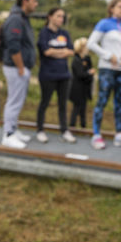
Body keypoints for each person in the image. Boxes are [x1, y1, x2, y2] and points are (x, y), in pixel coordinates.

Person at [87, 0, 121, 150]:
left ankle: (119, 134)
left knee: (119, 103)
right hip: (107, 69)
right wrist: (108, 56)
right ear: (112, 8)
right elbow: (91, 44)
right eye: (120, 6)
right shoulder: (104, 24)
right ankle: (96, 135)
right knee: (102, 101)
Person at [1, 0, 38, 149]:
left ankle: (13, 129)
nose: (36, 4)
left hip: (20, 67)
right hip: (16, 67)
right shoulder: (16, 19)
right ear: (25, 1)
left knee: (17, 100)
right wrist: (21, 67)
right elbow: (13, 44)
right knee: (14, 101)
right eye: (34, 1)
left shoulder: (23, 18)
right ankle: (8, 135)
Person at [35, 8, 76, 144]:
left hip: (64, 74)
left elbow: (71, 51)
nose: (61, 19)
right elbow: (46, 52)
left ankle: (64, 130)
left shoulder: (64, 33)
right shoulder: (44, 33)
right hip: (48, 75)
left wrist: (57, 51)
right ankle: (40, 130)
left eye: (63, 17)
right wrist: (62, 51)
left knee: (62, 104)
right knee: (45, 102)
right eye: (58, 16)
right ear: (50, 17)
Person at [68, 37, 94, 129]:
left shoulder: (87, 59)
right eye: (86, 46)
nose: (88, 49)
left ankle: (83, 126)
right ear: (81, 48)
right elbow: (80, 74)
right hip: (77, 89)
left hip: (84, 88)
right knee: (76, 108)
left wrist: (89, 74)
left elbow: (90, 69)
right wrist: (89, 73)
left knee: (83, 108)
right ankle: (72, 125)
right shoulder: (76, 60)